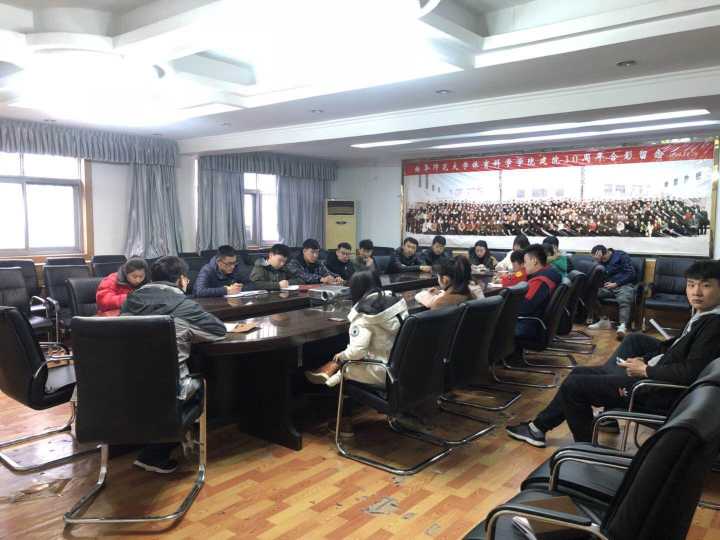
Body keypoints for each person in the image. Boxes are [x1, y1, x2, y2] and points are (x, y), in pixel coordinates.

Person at [506, 260, 720, 446]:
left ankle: (584, 450)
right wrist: (645, 359)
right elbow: (677, 348)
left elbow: (690, 372)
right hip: (656, 377)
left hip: (655, 391)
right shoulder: (704, 314)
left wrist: (646, 370)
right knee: (580, 372)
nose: (696, 292)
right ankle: (539, 428)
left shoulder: (714, 325)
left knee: (575, 385)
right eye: (691, 285)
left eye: (706, 285)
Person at [122, 256, 226, 473]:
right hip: (169, 391)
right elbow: (218, 331)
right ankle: (157, 452)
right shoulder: (183, 305)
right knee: (202, 383)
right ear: (181, 279)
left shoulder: (130, 301)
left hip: (127, 385)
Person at [304, 270, 409, 388]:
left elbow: (357, 352)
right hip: (404, 364)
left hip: (383, 371)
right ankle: (330, 373)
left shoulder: (362, 314)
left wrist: (342, 356)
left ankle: (331, 381)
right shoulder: (396, 301)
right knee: (352, 355)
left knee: (348, 360)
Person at [587, 244, 636, 339]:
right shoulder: (599, 261)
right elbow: (594, 276)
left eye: (602, 259)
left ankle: (622, 326)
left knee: (624, 298)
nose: (602, 261)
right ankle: (604, 320)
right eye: (599, 259)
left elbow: (631, 273)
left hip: (623, 285)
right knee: (590, 294)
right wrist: (597, 262)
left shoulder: (621, 256)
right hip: (607, 287)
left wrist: (616, 283)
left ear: (605, 253)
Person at [515, 244, 562, 341]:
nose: (524, 265)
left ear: (534, 261)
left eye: (525, 262)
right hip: (540, 322)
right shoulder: (551, 271)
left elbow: (525, 308)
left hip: (530, 326)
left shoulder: (540, 280)